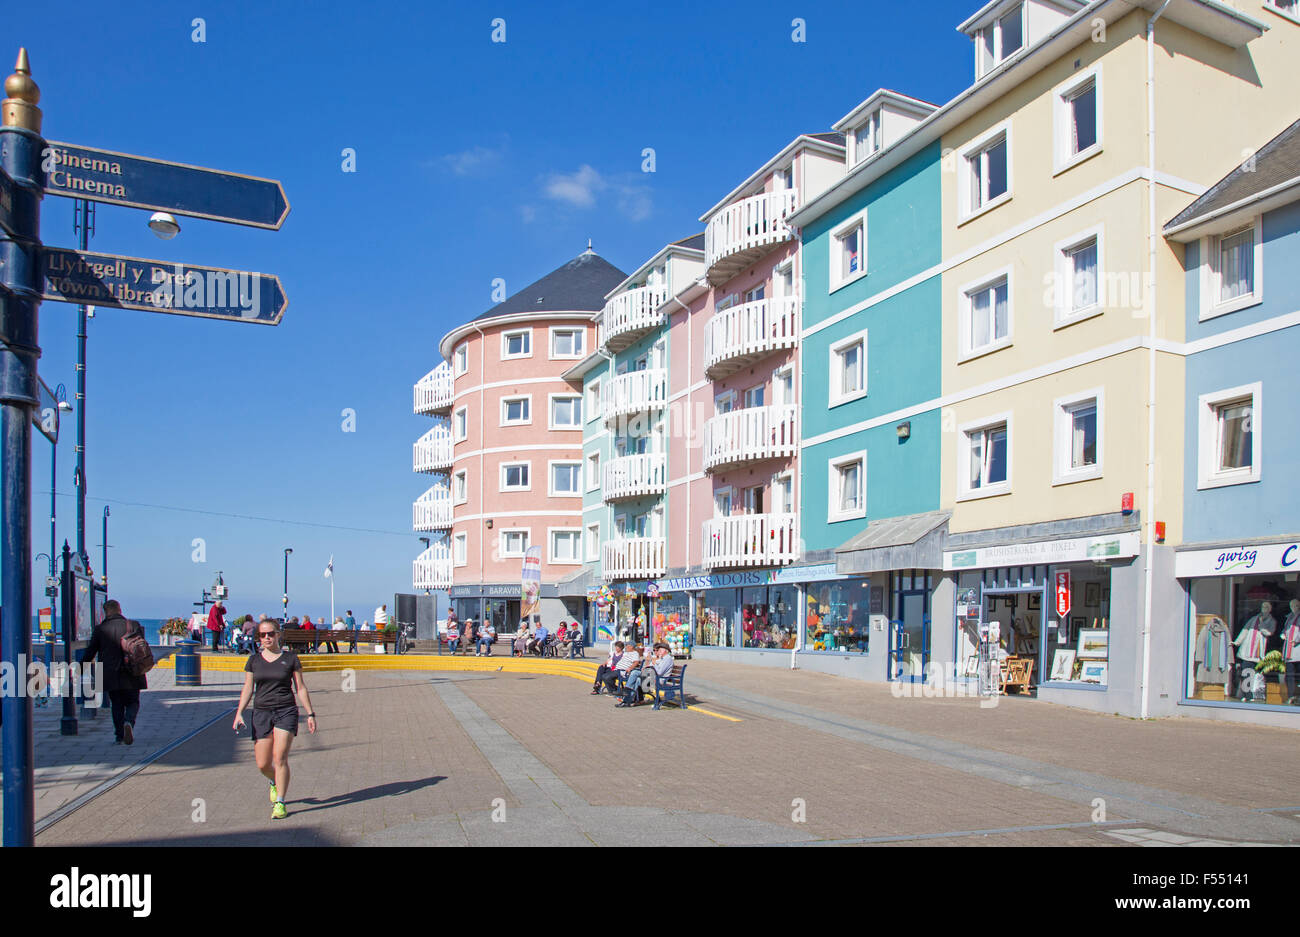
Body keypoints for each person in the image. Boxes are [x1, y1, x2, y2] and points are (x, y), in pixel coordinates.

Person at [233, 619, 317, 820]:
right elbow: (247, 689)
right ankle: (273, 781)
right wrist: (239, 712)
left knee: (280, 757)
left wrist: (310, 713)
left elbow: (301, 688)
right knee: (262, 764)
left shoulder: (290, 658)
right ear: (258, 638)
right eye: (262, 635)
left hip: (285, 710)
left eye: (270, 634)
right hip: (261, 712)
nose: (267, 638)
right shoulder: (253, 661)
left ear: (278, 634)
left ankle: (280, 802)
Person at [83, 599, 148, 745]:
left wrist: (80, 667)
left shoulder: (100, 629)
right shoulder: (133, 625)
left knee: (117, 704)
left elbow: (91, 651)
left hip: (110, 673)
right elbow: (142, 647)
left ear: (105, 612)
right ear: (119, 609)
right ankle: (129, 722)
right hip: (132, 670)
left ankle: (119, 736)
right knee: (133, 701)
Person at [617, 642, 674, 708]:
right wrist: (648, 666)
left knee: (637, 676)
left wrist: (654, 663)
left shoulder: (668, 659)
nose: (659, 651)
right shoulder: (662, 658)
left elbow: (659, 672)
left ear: (666, 651)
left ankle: (626, 696)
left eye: (661, 649)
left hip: (657, 680)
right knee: (635, 673)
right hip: (651, 676)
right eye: (659, 649)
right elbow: (651, 666)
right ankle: (627, 697)